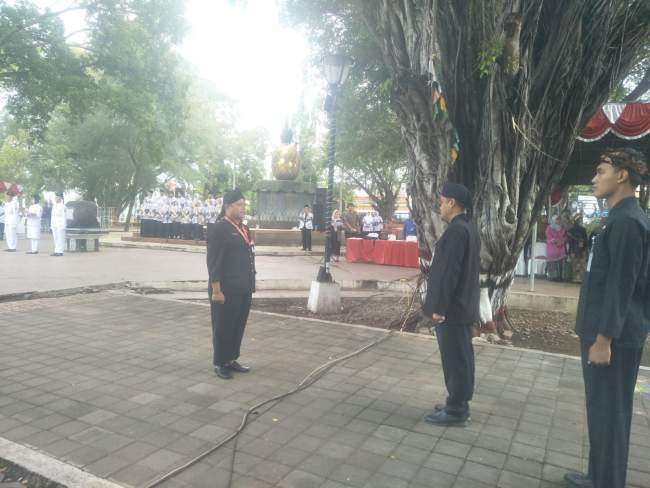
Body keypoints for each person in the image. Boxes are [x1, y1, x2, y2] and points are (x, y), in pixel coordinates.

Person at [565, 148, 650, 488]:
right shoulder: (618, 218)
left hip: (612, 338)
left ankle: (608, 481)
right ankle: (599, 476)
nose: (594, 178)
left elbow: (621, 285)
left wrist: (604, 339)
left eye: (601, 171)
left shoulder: (628, 222)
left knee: (611, 413)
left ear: (622, 175)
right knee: (600, 410)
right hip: (606, 331)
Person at [422, 182, 480, 426]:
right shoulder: (468, 227)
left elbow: (449, 273)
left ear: (452, 203)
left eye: (442, 202)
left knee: (455, 360)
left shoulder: (457, 231)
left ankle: (456, 410)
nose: (440, 207)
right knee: (461, 357)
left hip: (452, 310)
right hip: (462, 306)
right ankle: (457, 401)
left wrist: (439, 308)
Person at [207, 188, 256, 380]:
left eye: (244, 205)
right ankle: (220, 363)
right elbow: (213, 261)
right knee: (223, 326)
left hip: (243, 287)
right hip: (225, 289)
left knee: (237, 325)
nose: (243, 208)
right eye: (239, 205)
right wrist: (216, 290)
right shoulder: (219, 229)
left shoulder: (244, 228)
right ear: (228, 206)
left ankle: (231, 359)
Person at [566, 214, 589, 282]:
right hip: (574, 249)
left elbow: (585, 241)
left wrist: (584, 248)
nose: (580, 221)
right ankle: (576, 278)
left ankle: (579, 278)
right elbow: (569, 241)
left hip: (579, 250)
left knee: (580, 264)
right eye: (579, 220)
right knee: (575, 264)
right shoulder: (571, 230)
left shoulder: (582, 230)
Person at [545, 215, 567, 281]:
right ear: (554, 220)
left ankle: (560, 277)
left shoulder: (562, 228)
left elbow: (565, 236)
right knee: (552, 263)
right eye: (557, 219)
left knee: (560, 263)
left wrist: (562, 241)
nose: (558, 221)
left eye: (559, 219)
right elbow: (549, 237)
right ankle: (552, 277)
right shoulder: (549, 228)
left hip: (561, 247)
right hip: (552, 247)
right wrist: (556, 240)